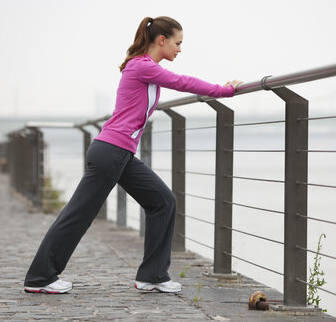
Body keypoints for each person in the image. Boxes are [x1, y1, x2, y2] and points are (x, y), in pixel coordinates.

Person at [23, 16, 243, 294]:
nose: (180, 49)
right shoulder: (142, 66)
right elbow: (183, 82)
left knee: (163, 201)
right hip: (110, 152)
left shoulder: (146, 69)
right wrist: (225, 91)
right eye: (178, 43)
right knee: (78, 215)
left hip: (120, 154)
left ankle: (152, 276)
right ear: (161, 40)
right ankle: (40, 277)